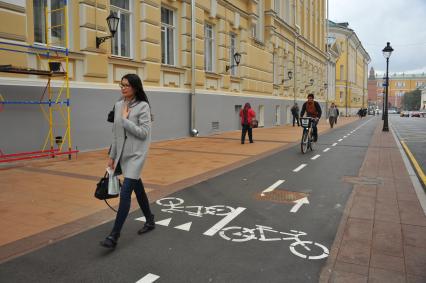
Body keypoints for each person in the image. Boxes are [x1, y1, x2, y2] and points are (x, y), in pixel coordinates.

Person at [100, 74, 155, 249]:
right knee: (138, 189)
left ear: (135, 88)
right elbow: (116, 134)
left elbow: (144, 133)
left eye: (126, 85)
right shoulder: (118, 105)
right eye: (121, 85)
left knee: (125, 195)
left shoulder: (143, 106)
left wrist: (125, 120)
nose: (123, 88)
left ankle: (114, 236)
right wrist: (112, 155)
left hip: (136, 156)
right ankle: (150, 219)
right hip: (121, 155)